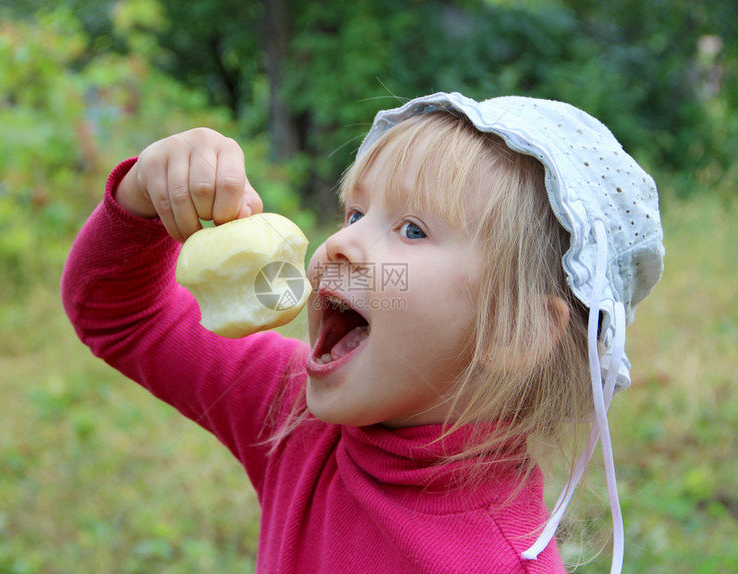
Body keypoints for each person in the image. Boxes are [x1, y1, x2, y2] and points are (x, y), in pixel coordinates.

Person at [62, 92, 664, 573]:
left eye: (411, 230)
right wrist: (143, 195)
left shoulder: (495, 564)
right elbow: (123, 318)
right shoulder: (295, 417)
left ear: (519, 331)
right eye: (354, 213)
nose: (341, 242)